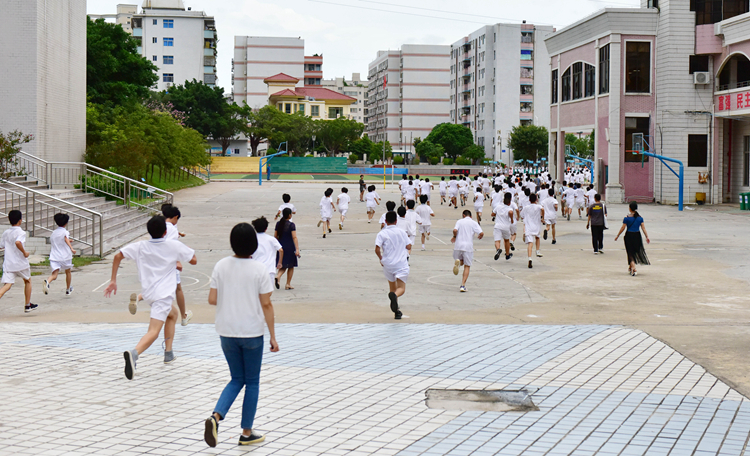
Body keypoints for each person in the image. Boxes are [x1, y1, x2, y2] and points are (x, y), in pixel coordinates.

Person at [204, 223, 279, 448]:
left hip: (226, 332)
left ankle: (216, 417)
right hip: (252, 333)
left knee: (237, 378)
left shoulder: (221, 265)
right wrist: (273, 336)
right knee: (252, 382)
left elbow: (212, 299)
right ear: (254, 246)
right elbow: (266, 304)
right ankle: (246, 432)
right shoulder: (259, 270)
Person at [105, 216, 197, 379]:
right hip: (163, 296)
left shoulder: (140, 246)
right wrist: (184, 252)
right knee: (153, 331)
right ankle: (134, 354)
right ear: (165, 232)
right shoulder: (173, 245)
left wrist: (113, 280)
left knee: (173, 314)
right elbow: (194, 260)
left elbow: (117, 256)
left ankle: (168, 353)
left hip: (148, 294)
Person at [375, 211, 411, 320]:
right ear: (396, 221)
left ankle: (397, 312)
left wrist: (381, 258)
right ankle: (395, 298)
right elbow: (408, 246)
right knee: (401, 288)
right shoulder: (401, 232)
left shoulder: (382, 233)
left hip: (388, 264)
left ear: (385, 221)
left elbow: (377, 249)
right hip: (401, 263)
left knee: (392, 287)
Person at [0, 210, 35, 313]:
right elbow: (18, 242)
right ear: (20, 220)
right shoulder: (21, 232)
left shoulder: (6, 233)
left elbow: (1, 246)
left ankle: (28, 305)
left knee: (7, 285)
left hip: (9, 263)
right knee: (27, 280)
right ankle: (27, 304)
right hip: (20, 263)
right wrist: (24, 252)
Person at [163, 205, 192, 326]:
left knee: (156, 286)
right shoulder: (172, 229)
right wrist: (177, 261)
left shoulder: (159, 225)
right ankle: (183, 316)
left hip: (157, 261)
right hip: (170, 262)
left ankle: (138, 298)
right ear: (175, 217)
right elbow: (171, 245)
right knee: (178, 288)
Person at [614, 201, 650, 276]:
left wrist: (618, 235)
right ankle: (630, 267)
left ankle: (634, 268)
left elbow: (623, 228)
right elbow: (643, 228)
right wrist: (647, 236)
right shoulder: (640, 218)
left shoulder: (626, 218)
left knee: (630, 252)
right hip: (637, 236)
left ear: (630, 208)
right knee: (634, 251)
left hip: (629, 236)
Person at [43, 213, 76, 296]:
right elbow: (65, 239)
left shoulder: (54, 233)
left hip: (54, 256)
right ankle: (68, 289)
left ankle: (47, 281)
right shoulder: (65, 232)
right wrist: (71, 248)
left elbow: (62, 240)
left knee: (54, 275)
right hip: (65, 256)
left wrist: (68, 240)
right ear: (66, 223)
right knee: (68, 271)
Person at [451, 210, 484, 292]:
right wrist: (480, 236)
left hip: (458, 246)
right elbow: (481, 233)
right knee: (467, 265)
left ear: (463, 215)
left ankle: (458, 263)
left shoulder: (459, 221)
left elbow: (455, 230)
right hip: (468, 247)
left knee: (461, 260)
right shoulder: (474, 223)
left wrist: (454, 237)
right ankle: (463, 285)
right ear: (471, 216)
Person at [251, 217, 283, 288]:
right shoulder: (271, 239)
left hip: (255, 270)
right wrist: (279, 262)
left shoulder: (252, 239)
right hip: (269, 269)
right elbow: (280, 250)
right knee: (268, 292)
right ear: (266, 228)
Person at [274, 208, 300, 290]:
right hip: (289, 247)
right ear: (289, 215)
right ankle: (288, 284)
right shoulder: (291, 225)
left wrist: (276, 246)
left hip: (280, 246)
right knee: (291, 265)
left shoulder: (278, 224)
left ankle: (278, 276)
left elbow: (275, 236)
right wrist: (297, 249)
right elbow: (294, 237)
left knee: (282, 264)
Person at [520, 194, 544, 269]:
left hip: (528, 226)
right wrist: (542, 217)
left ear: (529, 200)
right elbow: (543, 209)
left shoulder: (526, 207)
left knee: (530, 243)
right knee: (537, 237)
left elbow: (522, 215)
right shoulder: (538, 206)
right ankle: (537, 251)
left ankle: (529, 258)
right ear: (536, 200)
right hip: (536, 225)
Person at [492, 193, 514, 261]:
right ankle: (507, 254)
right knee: (506, 240)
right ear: (509, 202)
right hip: (506, 226)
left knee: (497, 240)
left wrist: (496, 214)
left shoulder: (498, 206)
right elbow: (510, 212)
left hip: (498, 226)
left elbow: (493, 213)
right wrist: (512, 219)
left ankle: (498, 249)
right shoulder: (509, 208)